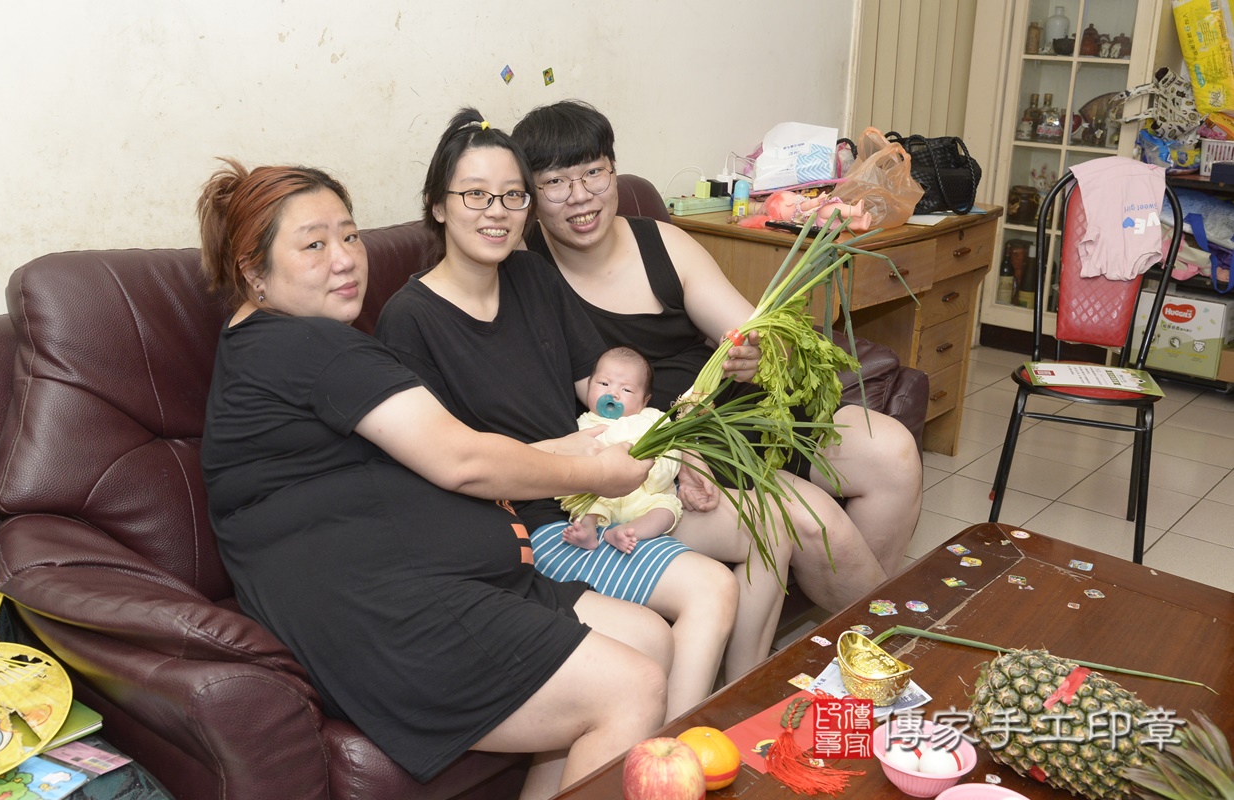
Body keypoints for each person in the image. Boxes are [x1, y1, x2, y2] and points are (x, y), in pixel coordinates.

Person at [196, 158, 677, 798]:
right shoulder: (304, 346)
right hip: (384, 611)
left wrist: (561, 448)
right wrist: (596, 471)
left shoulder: (281, 342)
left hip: (444, 579)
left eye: (350, 235)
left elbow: (421, 452)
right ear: (254, 272)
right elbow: (460, 459)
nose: (345, 260)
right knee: (632, 685)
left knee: (651, 638)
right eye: (313, 245)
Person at [376, 108, 789, 715]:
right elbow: (441, 467)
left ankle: (740, 706)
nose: (497, 211)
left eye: (512, 195)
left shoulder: (530, 276)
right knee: (711, 589)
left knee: (770, 526)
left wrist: (676, 456)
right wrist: (576, 463)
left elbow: (602, 397)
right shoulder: (410, 318)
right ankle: (671, 750)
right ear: (438, 205)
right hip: (530, 519)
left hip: (595, 490)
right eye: (475, 195)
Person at [512, 100, 924, 612]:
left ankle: (859, 627)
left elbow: (756, 332)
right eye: (555, 182)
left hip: (742, 412)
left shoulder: (663, 243)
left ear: (613, 170)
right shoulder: (528, 275)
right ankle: (880, 634)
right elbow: (596, 410)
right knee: (817, 521)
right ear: (530, 194)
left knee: (892, 452)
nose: (580, 197)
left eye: (594, 173)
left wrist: (759, 355)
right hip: (674, 446)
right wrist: (683, 452)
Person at [561, 345, 682, 555]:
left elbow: (672, 452)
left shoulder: (654, 419)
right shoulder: (583, 424)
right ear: (589, 385)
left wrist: (654, 473)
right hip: (599, 495)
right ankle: (587, 530)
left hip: (646, 495)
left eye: (626, 390)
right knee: (579, 499)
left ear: (645, 399)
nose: (613, 393)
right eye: (604, 383)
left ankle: (628, 531)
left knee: (667, 510)